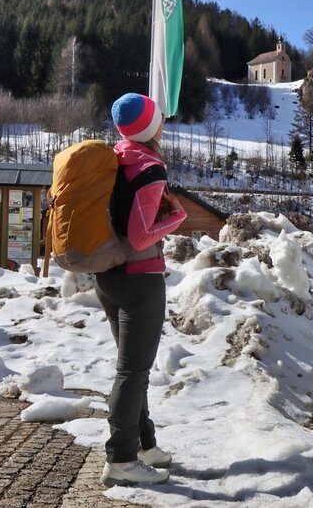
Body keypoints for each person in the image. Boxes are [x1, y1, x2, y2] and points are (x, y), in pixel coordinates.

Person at [97, 93, 187, 487]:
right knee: (132, 372)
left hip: (108, 277)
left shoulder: (114, 157)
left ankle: (145, 446)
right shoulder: (149, 167)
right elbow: (139, 236)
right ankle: (120, 459)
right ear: (152, 128)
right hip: (140, 279)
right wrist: (177, 218)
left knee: (133, 370)